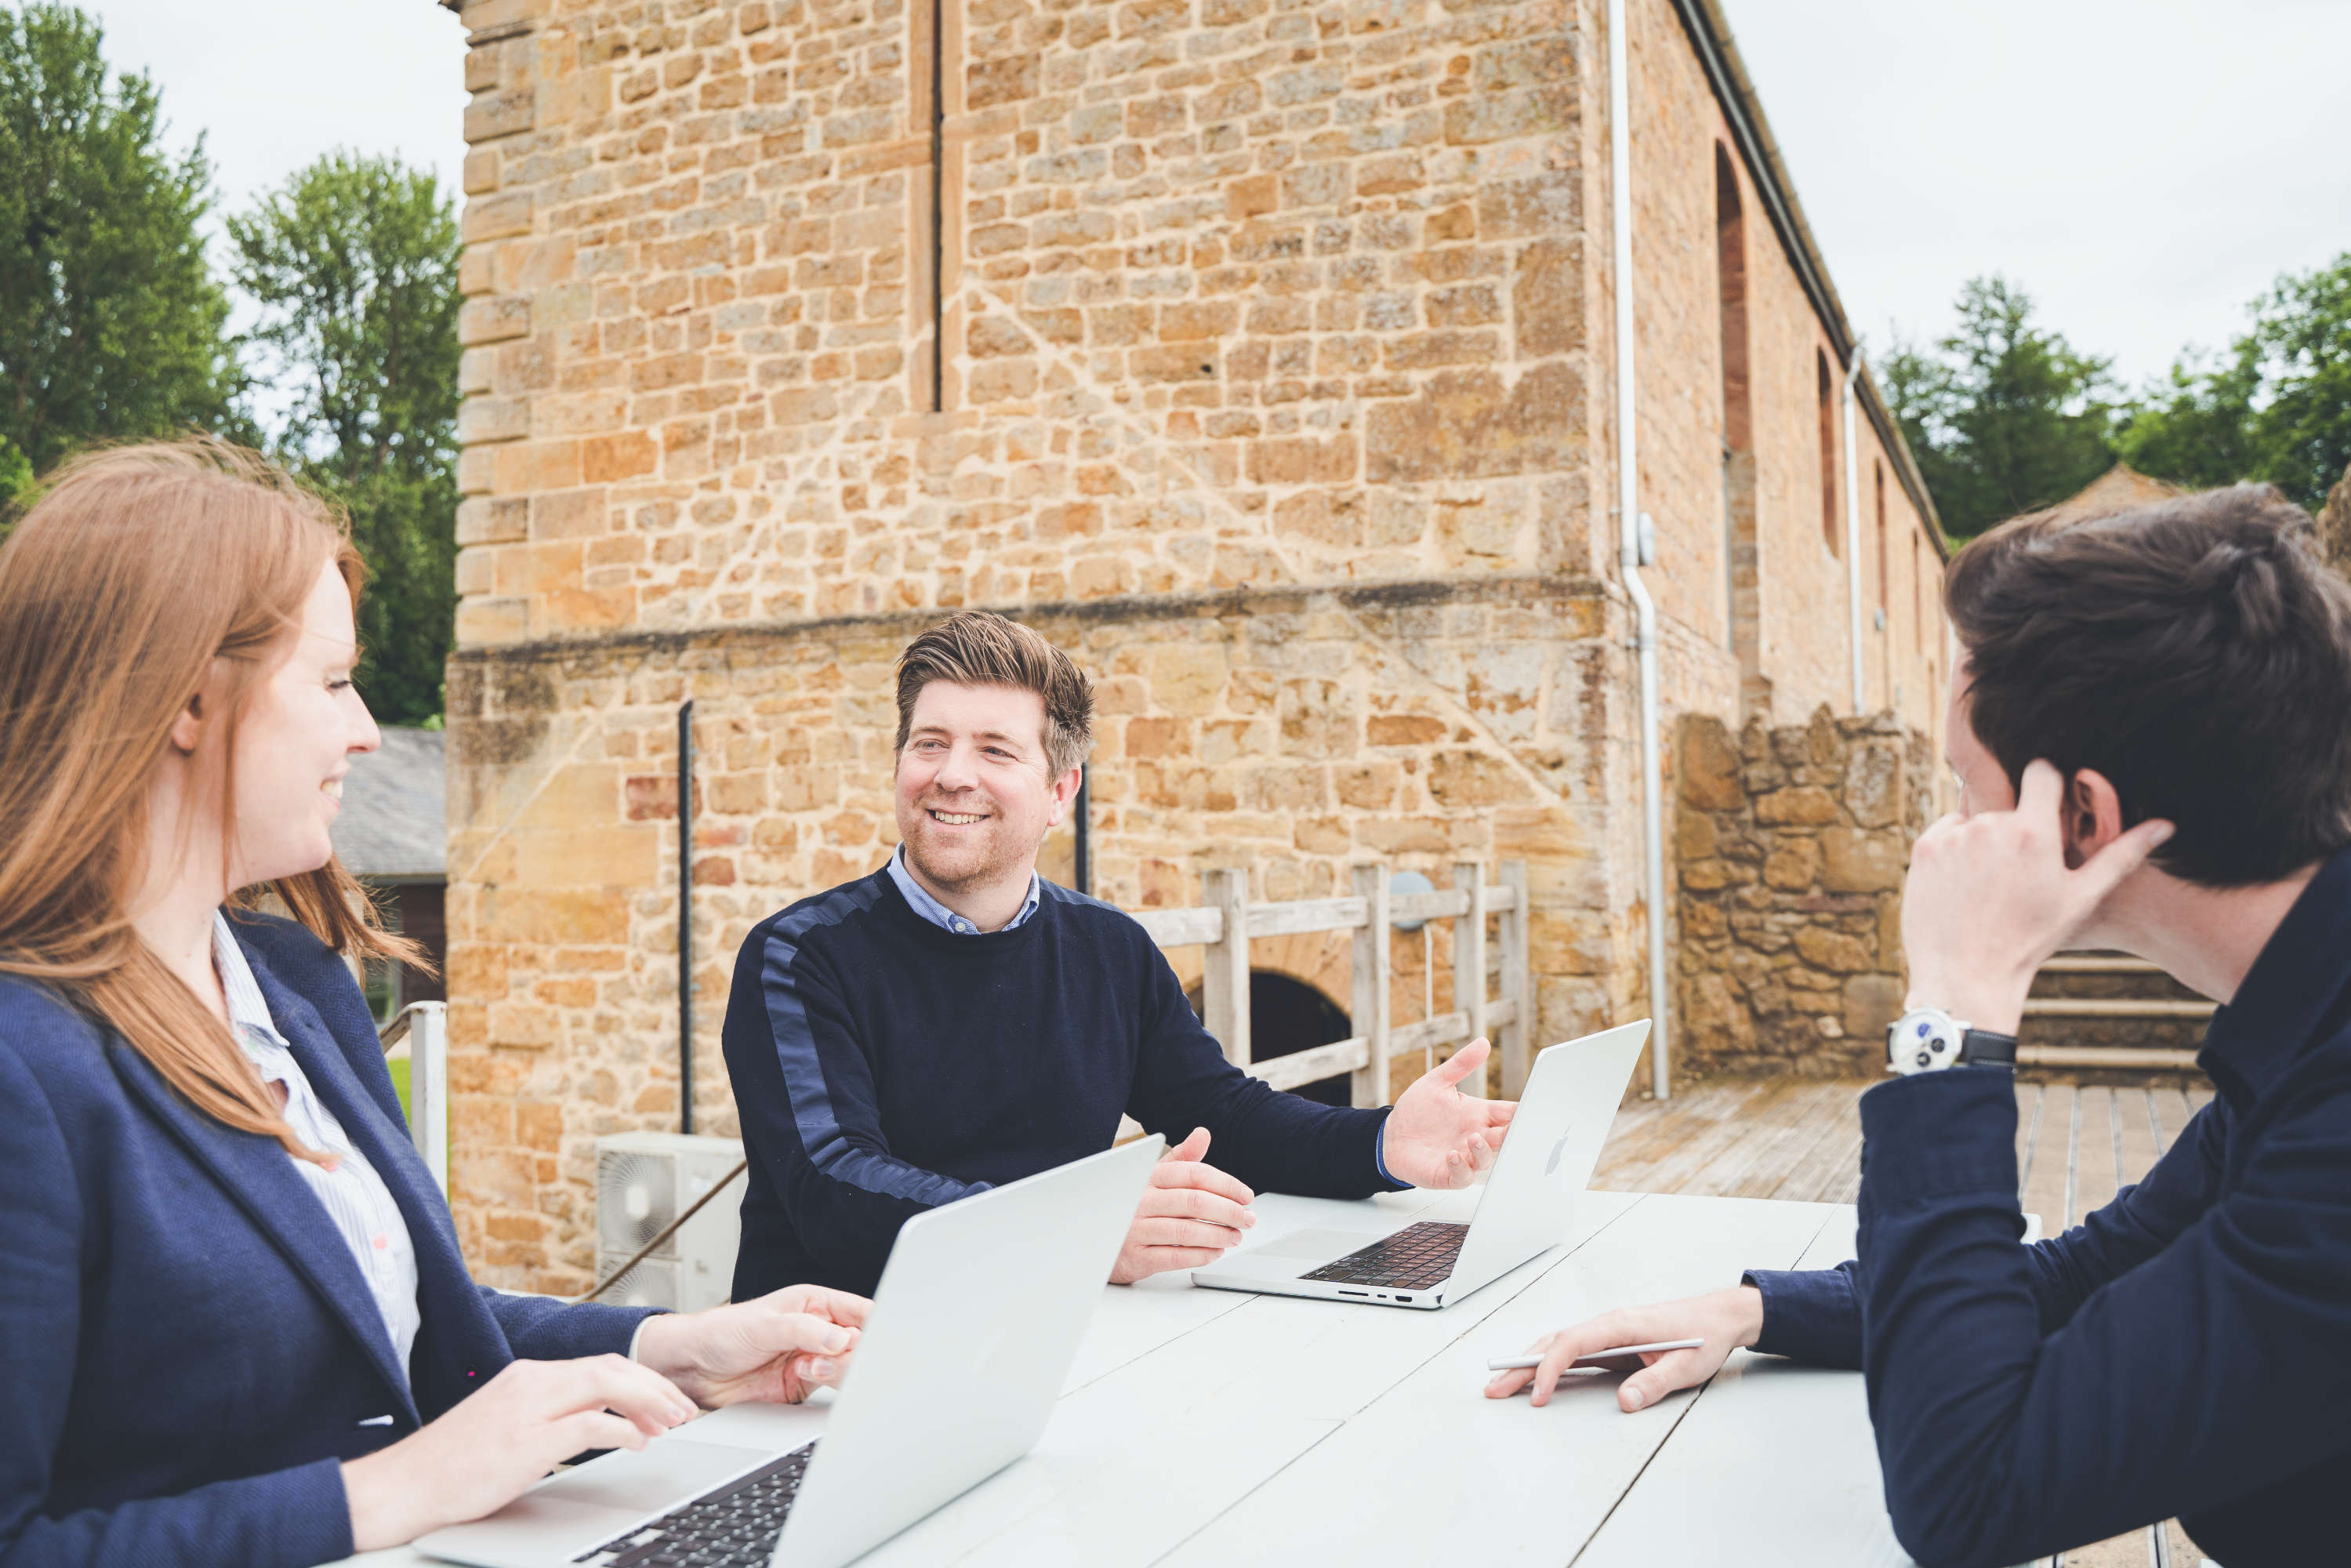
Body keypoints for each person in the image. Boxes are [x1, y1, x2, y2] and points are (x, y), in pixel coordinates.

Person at [0, 443, 869, 1568]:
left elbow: (394, 1323)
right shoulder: (25, 1066)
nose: (365, 729)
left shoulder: (293, 982)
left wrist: (677, 1348)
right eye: (329, 681)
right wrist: (394, 1491)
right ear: (187, 698)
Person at [1486, 485, 2351, 1568]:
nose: (1944, 830)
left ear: (2076, 818)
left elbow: (1970, 1493)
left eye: (1959, 784)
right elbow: (2100, 1273)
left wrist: (1953, 1006)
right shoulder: (2307, 1010)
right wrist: (1759, 1312)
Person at [722, 611, 1518, 1300]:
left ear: (1060, 791)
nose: (951, 774)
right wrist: (1082, 1231)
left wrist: (1379, 1141)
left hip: (1050, 1333)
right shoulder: (798, 956)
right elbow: (833, 1182)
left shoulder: (1108, 949)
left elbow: (1226, 1114)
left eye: (995, 750)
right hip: (827, 1372)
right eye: (929, 742)